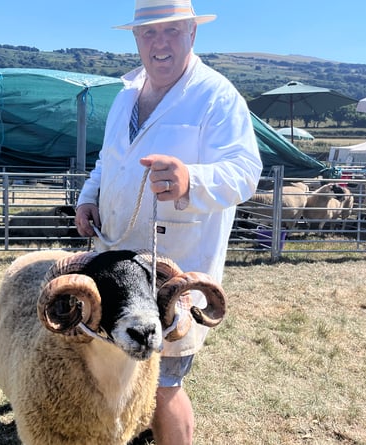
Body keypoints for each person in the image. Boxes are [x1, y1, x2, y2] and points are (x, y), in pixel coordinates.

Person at [74, 1, 263, 444]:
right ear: (136, 39)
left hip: (173, 265)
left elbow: (245, 170)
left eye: (172, 31)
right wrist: (88, 197)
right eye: (149, 33)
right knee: (117, 362)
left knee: (164, 383)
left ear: (192, 34)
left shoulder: (216, 95)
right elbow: (109, 159)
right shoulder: (125, 97)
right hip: (118, 259)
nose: (159, 43)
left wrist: (191, 179)